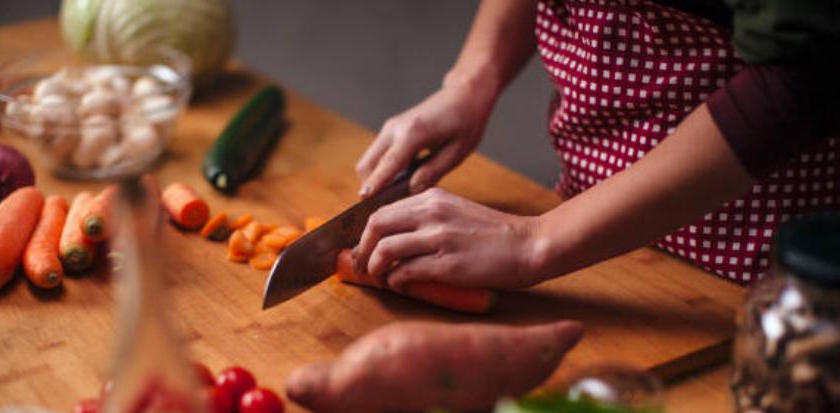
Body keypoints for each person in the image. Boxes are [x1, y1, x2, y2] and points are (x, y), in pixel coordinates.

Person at [351, 0, 839, 292]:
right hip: (581, 241)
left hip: (748, 266)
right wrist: (471, 79)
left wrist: (535, 242)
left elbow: (803, 73)